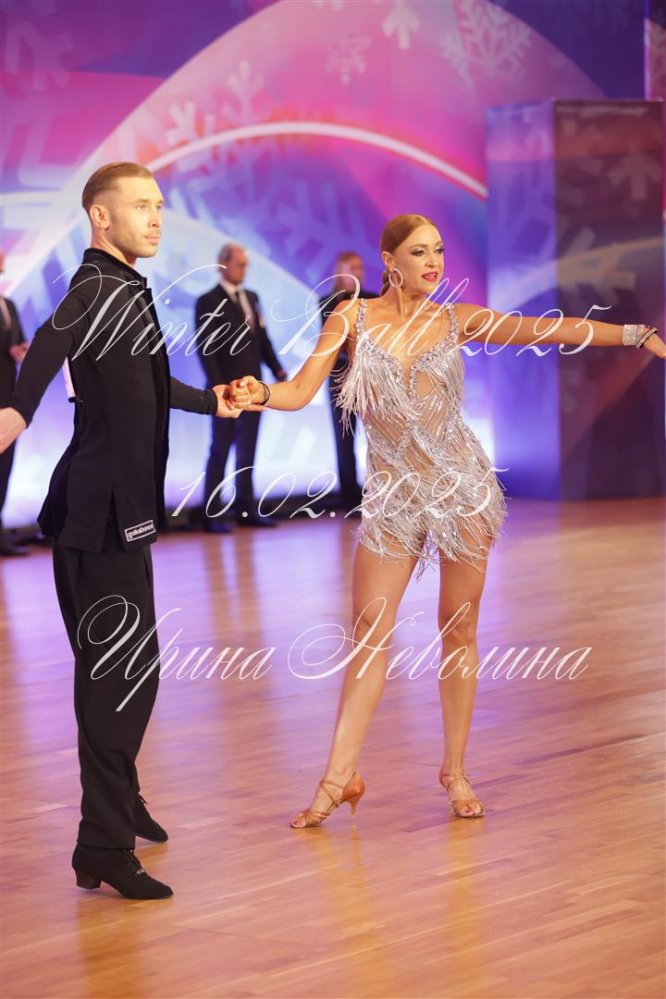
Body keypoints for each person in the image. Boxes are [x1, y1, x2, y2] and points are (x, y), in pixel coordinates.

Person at [229, 213, 665, 827]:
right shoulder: (350, 318)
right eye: (419, 252)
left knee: (458, 631)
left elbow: (546, 328)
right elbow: (300, 390)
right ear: (389, 260)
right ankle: (338, 776)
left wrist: (634, 334)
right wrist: (259, 393)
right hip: (393, 497)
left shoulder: (457, 319)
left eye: (437, 250)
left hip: (461, 490)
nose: (434, 262)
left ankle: (455, 771)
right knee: (369, 631)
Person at [0, 162, 248, 899]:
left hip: (122, 515)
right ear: (100, 217)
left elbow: (148, 382)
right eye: (140, 205)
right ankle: (103, 844)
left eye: (160, 204)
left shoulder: (129, 288)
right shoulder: (94, 288)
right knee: (116, 679)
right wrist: (15, 412)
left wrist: (213, 402)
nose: (157, 216)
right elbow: (47, 347)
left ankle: (119, 801)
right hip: (95, 515)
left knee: (129, 674)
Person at [194, 243, 287, 532]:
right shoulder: (208, 301)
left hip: (253, 388)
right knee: (220, 450)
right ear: (223, 263)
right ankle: (212, 514)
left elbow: (262, 339)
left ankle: (245, 509)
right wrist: (217, 386)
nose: (244, 270)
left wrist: (277, 369)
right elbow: (206, 348)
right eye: (239, 264)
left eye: (246, 264)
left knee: (247, 451)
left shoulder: (252, 297)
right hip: (225, 391)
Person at [319, 252, 376, 512]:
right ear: (340, 270)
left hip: (370, 379)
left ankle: (381, 494)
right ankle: (351, 498)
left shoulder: (373, 300)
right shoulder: (327, 302)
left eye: (360, 267)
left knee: (378, 438)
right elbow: (332, 343)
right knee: (344, 439)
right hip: (340, 379)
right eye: (353, 267)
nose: (358, 272)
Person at [0, 250, 30, 556]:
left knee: (4, 467)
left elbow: (17, 342)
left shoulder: (8, 304)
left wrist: (21, 351)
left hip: (8, 398)